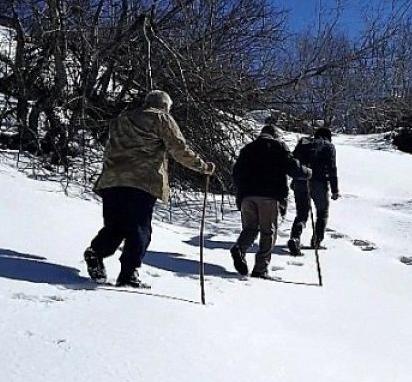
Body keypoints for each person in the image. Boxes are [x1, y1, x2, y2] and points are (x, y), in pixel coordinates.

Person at [84, 90, 214, 288]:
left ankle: (96, 251)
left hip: (112, 181)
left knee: (116, 226)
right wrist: (202, 166)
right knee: (139, 229)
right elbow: (179, 149)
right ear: (166, 106)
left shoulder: (121, 119)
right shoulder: (161, 118)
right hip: (142, 181)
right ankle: (128, 274)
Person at [231, 125, 309, 278]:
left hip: (247, 195)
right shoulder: (279, 147)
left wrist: (242, 192)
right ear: (275, 135)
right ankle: (260, 268)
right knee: (268, 232)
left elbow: (236, 173)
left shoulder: (247, 149)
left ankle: (240, 248)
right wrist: (307, 172)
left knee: (250, 229)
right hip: (269, 196)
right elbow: (294, 168)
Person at [288, 126, 340, 255]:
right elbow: (332, 168)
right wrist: (334, 189)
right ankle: (317, 241)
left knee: (302, 213)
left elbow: (292, 161)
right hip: (319, 183)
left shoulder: (303, 142)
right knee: (322, 212)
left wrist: (293, 181)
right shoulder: (328, 146)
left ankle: (295, 237)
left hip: (300, 181)